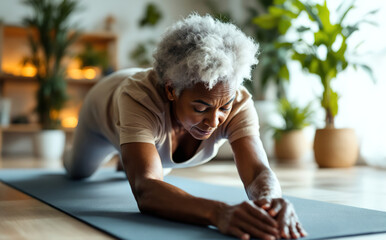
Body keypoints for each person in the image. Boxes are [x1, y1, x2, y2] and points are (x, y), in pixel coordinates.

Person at [63, 14, 307, 240]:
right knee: (78, 171)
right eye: (201, 108)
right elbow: (145, 188)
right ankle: (87, 152)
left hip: (145, 129)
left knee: (147, 165)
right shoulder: (138, 98)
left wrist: (271, 202)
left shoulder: (238, 101)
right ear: (171, 90)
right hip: (101, 107)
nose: (214, 121)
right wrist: (218, 212)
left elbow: (257, 172)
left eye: (224, 107)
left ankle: (129, 154)